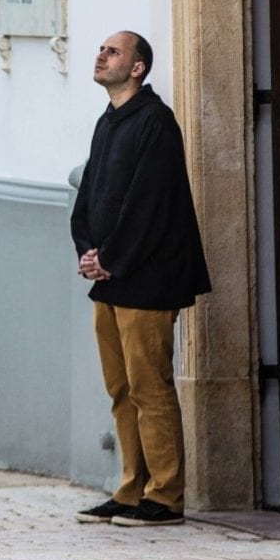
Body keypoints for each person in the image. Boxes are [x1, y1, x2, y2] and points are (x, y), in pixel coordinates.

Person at [71, 31, 210, 528]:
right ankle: (131, 489)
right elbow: (89, 194)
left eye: (112, 51)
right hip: (109, 278)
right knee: (121, 388)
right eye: (101, 49)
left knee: (150, 387)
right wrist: (87, 251)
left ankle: (166, 496)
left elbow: (148, 205)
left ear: (137, 68)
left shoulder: (155, 123)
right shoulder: (108, 122)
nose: (100, 55)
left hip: (147, 279)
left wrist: (111, 258)